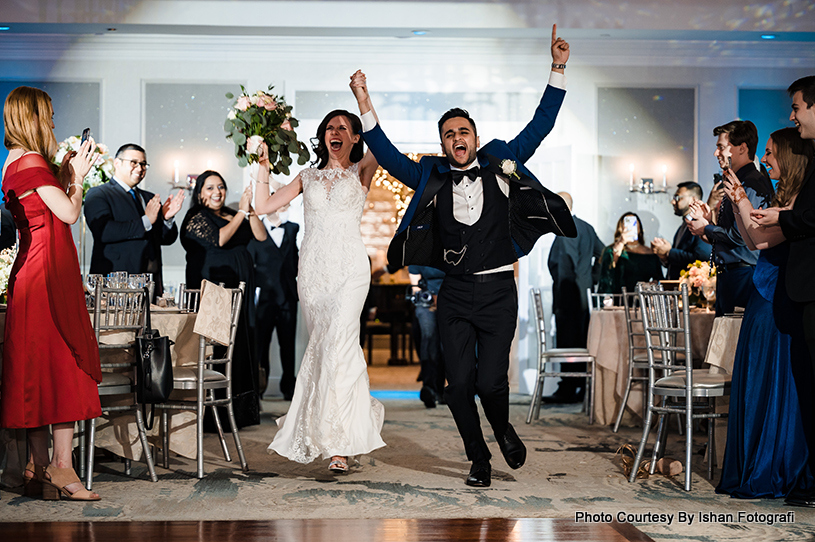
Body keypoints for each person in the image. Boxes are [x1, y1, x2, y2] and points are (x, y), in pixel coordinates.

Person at [351, 24, 576, 488]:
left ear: (475, 137)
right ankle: (479, 459)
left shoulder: (499, 162)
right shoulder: (431, 176)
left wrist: (557, 68)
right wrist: (364, 103)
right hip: (453, 294)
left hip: (497, 293)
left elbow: (540, 126)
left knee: (491, 384)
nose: (458, 137)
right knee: (456, 388)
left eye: (464, 131)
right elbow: (388, 156)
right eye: (450, 133)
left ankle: (503, 430)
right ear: (443, 144)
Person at [256, 110, 385, 473]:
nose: (336, 132)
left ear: (355, 138)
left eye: (344, 128)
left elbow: (381, 138)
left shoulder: (362, 171)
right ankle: (334, 433)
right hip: (313, 275)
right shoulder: (306, 176)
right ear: (322, 136)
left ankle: (340, 445)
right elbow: (263, 205)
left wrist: (362, 96)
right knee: (325, 351)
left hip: (350, 271)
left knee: (341, 347)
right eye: (330, 127)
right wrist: (262, 164)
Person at [1, 86, 102, 500]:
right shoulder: (31, 160)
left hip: (30, 274)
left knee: (36, 370)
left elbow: (43, 203)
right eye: (50, 114)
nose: (54, 122)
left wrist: (63, 172)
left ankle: (37, 464)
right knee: (65, 367)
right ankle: (62, 467)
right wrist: (78, 179)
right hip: (47, 277)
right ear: (33, 117)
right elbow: (68, 212)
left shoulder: (13, 161)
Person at [716, 127, 814, 499]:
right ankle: (754, 462)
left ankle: (774, 465)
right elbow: (752, 238)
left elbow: (761, 237)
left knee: (777, 384)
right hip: (764, 291)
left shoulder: (797, 206)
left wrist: (741, 199)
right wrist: (739, 200)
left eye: (770, 153)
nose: (765, 159)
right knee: (757, 381)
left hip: (777, 295)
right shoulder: (783, 198)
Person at [750, 75, 815, 508]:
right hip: (798, 292)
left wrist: (781, 217)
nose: (792, 115)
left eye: (797, 107)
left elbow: (807, 220)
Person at [180, 170, 267, 429]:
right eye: (210, 188)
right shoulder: (195, 217)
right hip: (214, 288)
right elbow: (218, 240)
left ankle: (238, 412)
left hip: (241, 288)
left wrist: (249, 211)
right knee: (217, 347)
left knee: (241, 344)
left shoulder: (232, 213)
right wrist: (240, 213)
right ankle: (211, 416)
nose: (217, 192)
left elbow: (260, 236)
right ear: (199, 193)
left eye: (221, 187)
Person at [686, 120, 774, 316]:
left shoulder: (751, 183)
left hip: (744, 275)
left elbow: (743, 236)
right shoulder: (737, 181)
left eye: (721, 147)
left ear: (742, 148)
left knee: (734, 340)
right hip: (733, 274)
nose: (716, 153)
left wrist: (706, 228)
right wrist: (708, 221)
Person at [84, 144, 184, 298]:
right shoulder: (98, 194)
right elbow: (104, 231)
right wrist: (146, 220)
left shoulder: (149, 197)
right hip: (116, 283)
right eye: (134, 162)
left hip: (150, 282)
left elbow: (165, 239)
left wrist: (166, 219)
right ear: (117, 163)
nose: (139, 168)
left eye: (143, 164)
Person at [544, 191, 603, 403]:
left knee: (568, 343)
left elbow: (565, 269)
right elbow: (603, 254)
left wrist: (564, 296)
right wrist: (591, 279)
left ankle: (568, 388)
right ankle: (578, 386)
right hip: (583, 298)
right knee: (579, 343)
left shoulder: (565, 231)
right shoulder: (586, 227)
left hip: (568, 298)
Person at [247, 208, 299, 400]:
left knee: (288, 345)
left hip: (287, 297)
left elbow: (295, 260)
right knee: (260, 345)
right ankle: (258, 387)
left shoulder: (293, 229)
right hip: (264, 298)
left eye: (285, 205)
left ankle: (289, 388)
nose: (281, 209)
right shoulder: (254, 230)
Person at [651, 182, 712, 280]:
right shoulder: (683, 226)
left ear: (693, 199)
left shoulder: (699, 224)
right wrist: (664, 256)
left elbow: (702, 257)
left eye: (678, 198)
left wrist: (669, 252)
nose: (673, 202)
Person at [408, 264, 446, 408]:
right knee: (429, 338)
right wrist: (428, 301)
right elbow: (415, 287)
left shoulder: (449, 250)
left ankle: (441, 390)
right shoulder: (417, 255)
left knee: (445, 345)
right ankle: (429, 387)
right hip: (426, 302)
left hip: (450, 298)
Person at [597, 212, 663, 294]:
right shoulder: (612, 251)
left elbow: (659, 278)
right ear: (621, 227)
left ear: (639, 228)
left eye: (634, 223)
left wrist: (652, 284)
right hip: (620, 299)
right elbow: (608, 273)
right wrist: (621, 243)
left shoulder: (650, 253)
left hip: (643, 299)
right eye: (627, 223)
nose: (631, 226)